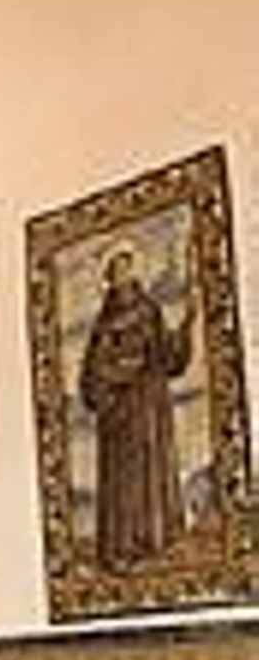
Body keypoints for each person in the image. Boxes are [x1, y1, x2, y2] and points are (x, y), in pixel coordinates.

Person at [78, 245, 194, 571]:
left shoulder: (150, 311)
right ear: (110, 279)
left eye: (127, 268)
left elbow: (167, 357)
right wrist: (119, 371)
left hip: (149, 406)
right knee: (124, 478)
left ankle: (156, 540)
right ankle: (123, 548)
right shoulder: (103, 325)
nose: (123, 276)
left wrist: (186, 326)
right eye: (117, 271)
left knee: (150, 468)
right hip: (119, 411)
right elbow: (93, 371)